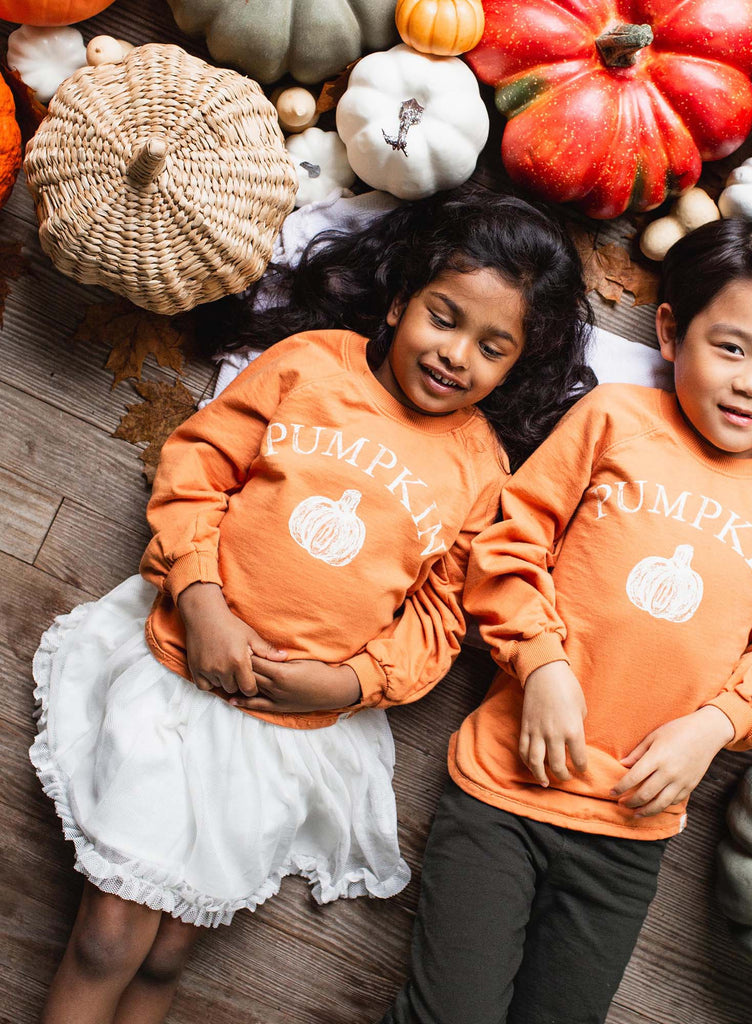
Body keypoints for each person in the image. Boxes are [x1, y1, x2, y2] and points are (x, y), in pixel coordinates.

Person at [29, 187, 594, 1024]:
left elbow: (440, 620)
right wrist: (204, 601)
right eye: (444, 317)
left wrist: (347, 685)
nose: (456, 354)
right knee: (109, 938)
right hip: (181, 670)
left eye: (492, 347)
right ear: (401, 301)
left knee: (168, 955)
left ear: (515, 366)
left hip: (288, 732)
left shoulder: (482, 471)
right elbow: (195, 471)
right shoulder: (310, 366)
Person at [380, 214, 752, 1024]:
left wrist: (712, 726)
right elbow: (506, 547)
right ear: (671, 332)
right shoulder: (615, 421)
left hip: (632, 828)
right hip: (505, 792)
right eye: (732, 348)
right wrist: (542, 664)